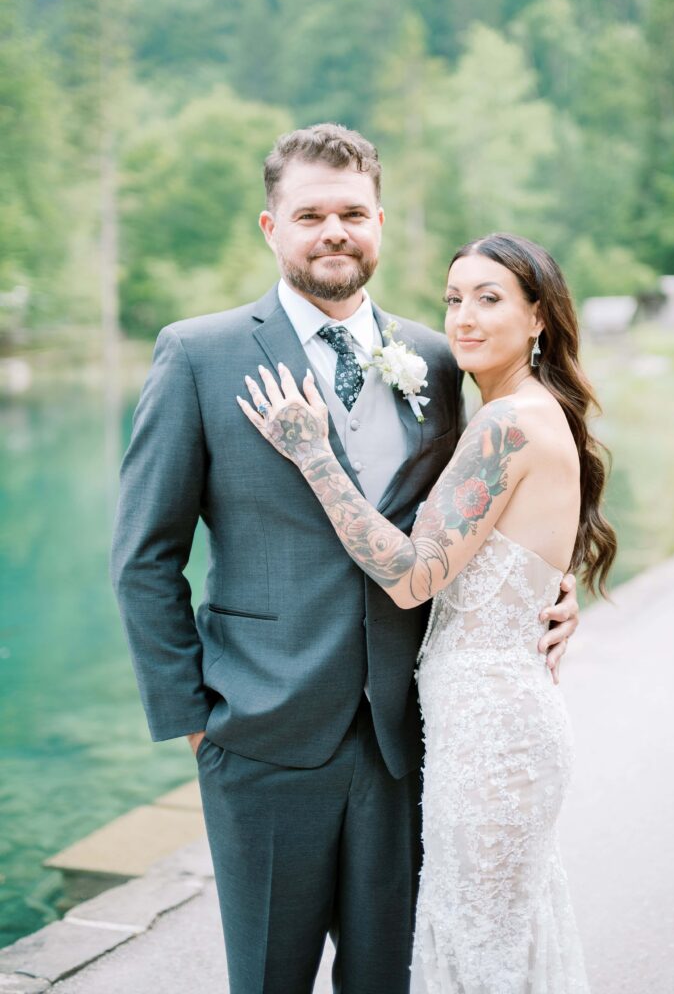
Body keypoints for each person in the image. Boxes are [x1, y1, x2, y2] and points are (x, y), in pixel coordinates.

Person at [111, 124, 581, 994]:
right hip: (260, 731)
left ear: (380, 224)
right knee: (268, 978)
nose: (335, 231)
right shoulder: (200, 354)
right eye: (312, 213)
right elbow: (144, 557)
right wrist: (193, 717)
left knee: (393, 978)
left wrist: (553, 596)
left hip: (414, 739)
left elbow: (498, 512)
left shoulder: (442, 359)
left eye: (353, 213)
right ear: (270, 226)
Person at [238, 231, 616, 993]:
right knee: (496, 939)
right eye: (453, 299)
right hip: (488, 719)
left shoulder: (508, 423)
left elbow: (414, 578)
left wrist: (314, 453)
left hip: (491, 733)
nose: (463, 318)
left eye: (489, 298)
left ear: (539, 317)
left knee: (480, 947)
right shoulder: (529, 410)